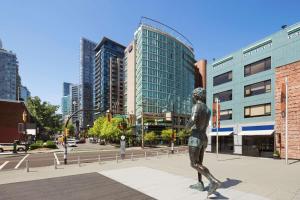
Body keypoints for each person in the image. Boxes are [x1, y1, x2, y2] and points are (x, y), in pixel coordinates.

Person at [186, 87, 221, 196]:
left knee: (194, 163)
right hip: (203, 137)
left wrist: (186, 127)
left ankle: (213, 181)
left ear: (196, 96)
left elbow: (193, 119)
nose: (192, 97)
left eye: (193, 95)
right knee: (199, 163)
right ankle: (200, 183)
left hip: (195, 137)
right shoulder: (207, 109)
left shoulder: (197, 106)